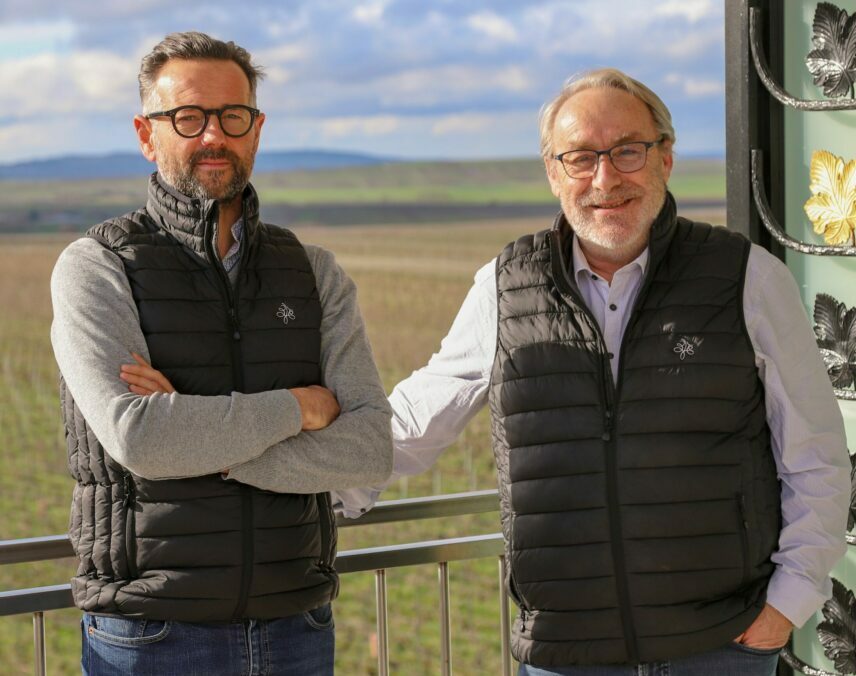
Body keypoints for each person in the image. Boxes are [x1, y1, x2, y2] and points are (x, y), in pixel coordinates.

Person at [340, 68, 851, 675]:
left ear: (665, 158)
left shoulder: (747, 277)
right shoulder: (504, 287)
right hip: (569, 654)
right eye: (580, 158)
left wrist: (786, 607)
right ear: (554, 173)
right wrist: (306, 489)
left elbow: (815, 453)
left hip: (720, 647)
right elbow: (417, 420)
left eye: (627, 151)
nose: (605, 179)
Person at [50, 32, 392, 676]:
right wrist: (298, 407)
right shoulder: (98, 267)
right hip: (152, 636)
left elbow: (369, 447)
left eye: (233, 116)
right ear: (147, 134)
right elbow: (142, 441)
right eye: (188, 117)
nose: (214, 134)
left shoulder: (313, 273)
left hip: (298, 627)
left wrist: (198, 436)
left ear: (256, 129)